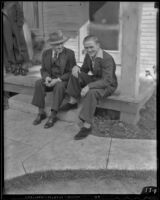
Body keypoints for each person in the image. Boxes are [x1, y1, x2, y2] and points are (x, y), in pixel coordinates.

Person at [60, 35, 118, 140]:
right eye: (86, 48)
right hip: (96, 79)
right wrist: (76, 68)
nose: (89, 50)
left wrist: (88, 86)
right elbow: (84, 70)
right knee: (75, 74)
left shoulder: (107, 59)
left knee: (91, 92)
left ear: (98, 45)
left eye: (91, 47)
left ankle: (87, 125)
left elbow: (107, 80)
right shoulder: (88, 56)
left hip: (108, 85)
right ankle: (72, 102)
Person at [31, 30, 76, 128]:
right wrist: (46, 77)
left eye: (61, 43)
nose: (60, 46)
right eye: (57, 44)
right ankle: (41, 112)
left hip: (62, 81)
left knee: (59, 86)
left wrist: (58, 79)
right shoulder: (46, 53)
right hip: (50, 80)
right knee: (39, 83)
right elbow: (43, 69)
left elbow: (71, 72)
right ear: (51, 45)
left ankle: (53, 115)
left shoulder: (70, 54)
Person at [2, 1, 30, 75]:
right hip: (5, 25)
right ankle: (12, 66)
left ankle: (24, 64)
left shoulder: (14, 2)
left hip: (15, 24)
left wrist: (19, 23)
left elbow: (20, 11)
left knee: (20, 44)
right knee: (8, 46)